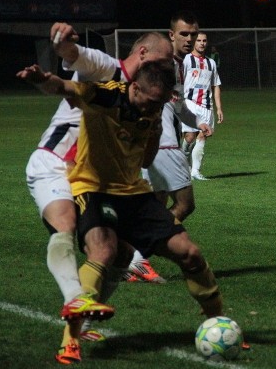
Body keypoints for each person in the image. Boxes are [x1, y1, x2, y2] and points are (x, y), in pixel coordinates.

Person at [17, 61, 224, 365]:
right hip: (94, 188)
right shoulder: (105, 95)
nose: (153, 107)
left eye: (161, 102)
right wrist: (40, 79)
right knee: (103, 250)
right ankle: (70, 341)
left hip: (134, 192)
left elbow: (147, 157)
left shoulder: (152, 108)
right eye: (151, 101)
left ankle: (219, 323)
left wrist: (152, 128)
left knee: (189, 253)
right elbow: (64, 87)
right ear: (135, 87)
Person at [25, 25, 173, 346]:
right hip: (56, 161)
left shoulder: (144, 95)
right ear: (143, 53)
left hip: (95, 178)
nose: (167, 67)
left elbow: (142, 158)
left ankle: (82, 323)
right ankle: (77, 299)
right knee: (65, 224)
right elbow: (74, 56)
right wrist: (63, 42)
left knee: (118, 251)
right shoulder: (106, 68)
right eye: (164, 59)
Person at [143, 11, 202, 220]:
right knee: (185, 204)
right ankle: (146, 242)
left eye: (193, 34)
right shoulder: (163, 62)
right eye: (184, 34)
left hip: (150, 144)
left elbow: (176, 103)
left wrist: (197, 123)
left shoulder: (178, 63)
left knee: (157, 205)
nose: (189, 39)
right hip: (162, 143)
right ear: (171, 34)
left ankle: (137, 248)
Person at [181, 31, 224, 181]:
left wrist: (219, 108)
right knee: (190, 137)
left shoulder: (211, 63)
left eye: (204, 41)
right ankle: (184, 164)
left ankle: (195, 172)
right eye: (199, 40)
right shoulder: (186, 60)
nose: (202, 43)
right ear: (194, 42)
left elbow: (216, 85)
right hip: (190, 104)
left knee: (202, 136)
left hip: (206, 106)